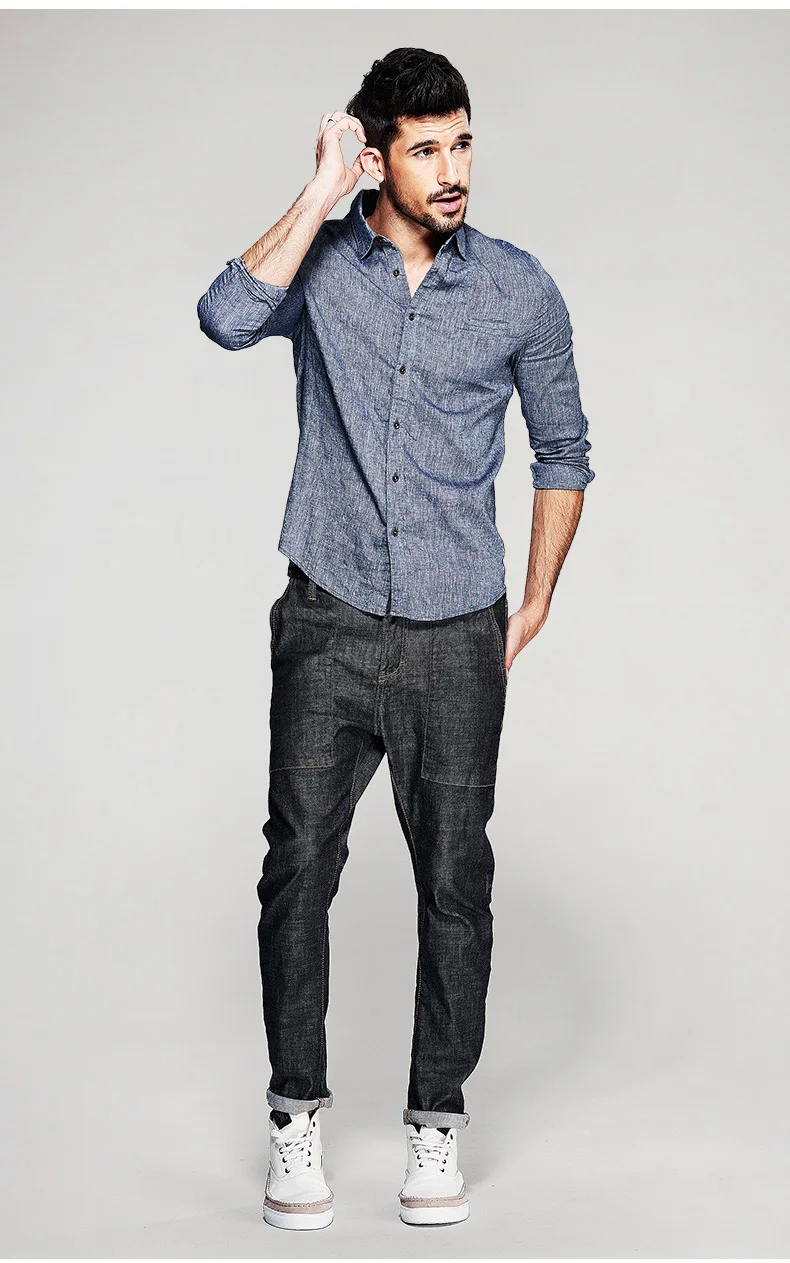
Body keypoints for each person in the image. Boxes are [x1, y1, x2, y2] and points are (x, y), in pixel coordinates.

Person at [196, 46, 595, 1231]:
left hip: (456, 632)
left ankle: (436, 1121)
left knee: (455, 881)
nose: (453, 168)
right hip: (325, 621)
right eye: (425, 149)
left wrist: (533, 601)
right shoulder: (322, 269)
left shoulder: (519, 290)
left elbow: (565, 451)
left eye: (462, 142)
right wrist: (320, 190)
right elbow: (223, 317)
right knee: (297, 869)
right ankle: (295, 1116)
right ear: (379, 157)